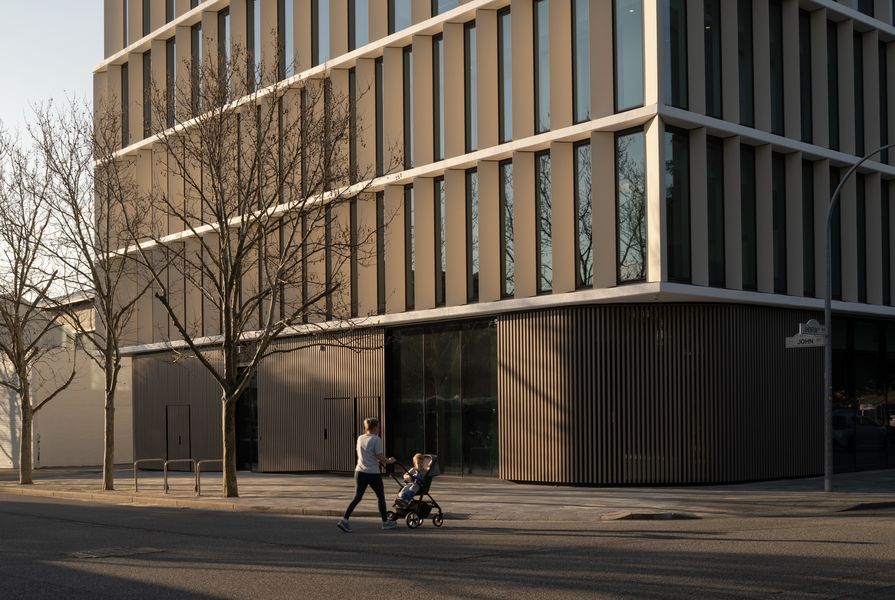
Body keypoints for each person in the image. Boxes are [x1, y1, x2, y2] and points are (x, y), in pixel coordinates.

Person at [337, 417, 397, 533]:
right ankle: (385, 522)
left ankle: (344, 520)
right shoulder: (376, 439)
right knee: (380, 497)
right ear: (374, 427)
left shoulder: (360, 438)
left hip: (359, 471)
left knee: (357, 497)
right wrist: (390, 461)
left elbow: (363, 454)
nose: (379, 429)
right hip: (372, 473)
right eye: (378, 427)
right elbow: (380, 457)